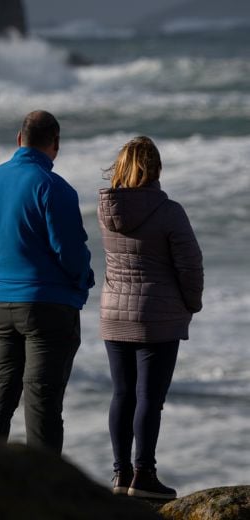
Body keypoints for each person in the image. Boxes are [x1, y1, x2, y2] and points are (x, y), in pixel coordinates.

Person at [0, 110, 94, 454]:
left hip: (1, 303)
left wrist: (2, 280)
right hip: (48, 306)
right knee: (41, 403)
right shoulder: (53, 187)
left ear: (19, 139)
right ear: (55, 143)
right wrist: (82, 281)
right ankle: (46, 495)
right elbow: (70, 250)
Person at [98, 136, 203, 499]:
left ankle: (119, 475)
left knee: (122, 394)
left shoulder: (106, 210)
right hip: (156, 317)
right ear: (156, 168)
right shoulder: (169, 210)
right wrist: (191, 304)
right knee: (148, 398)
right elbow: (190, 265)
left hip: (114, 312)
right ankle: (144, 474)